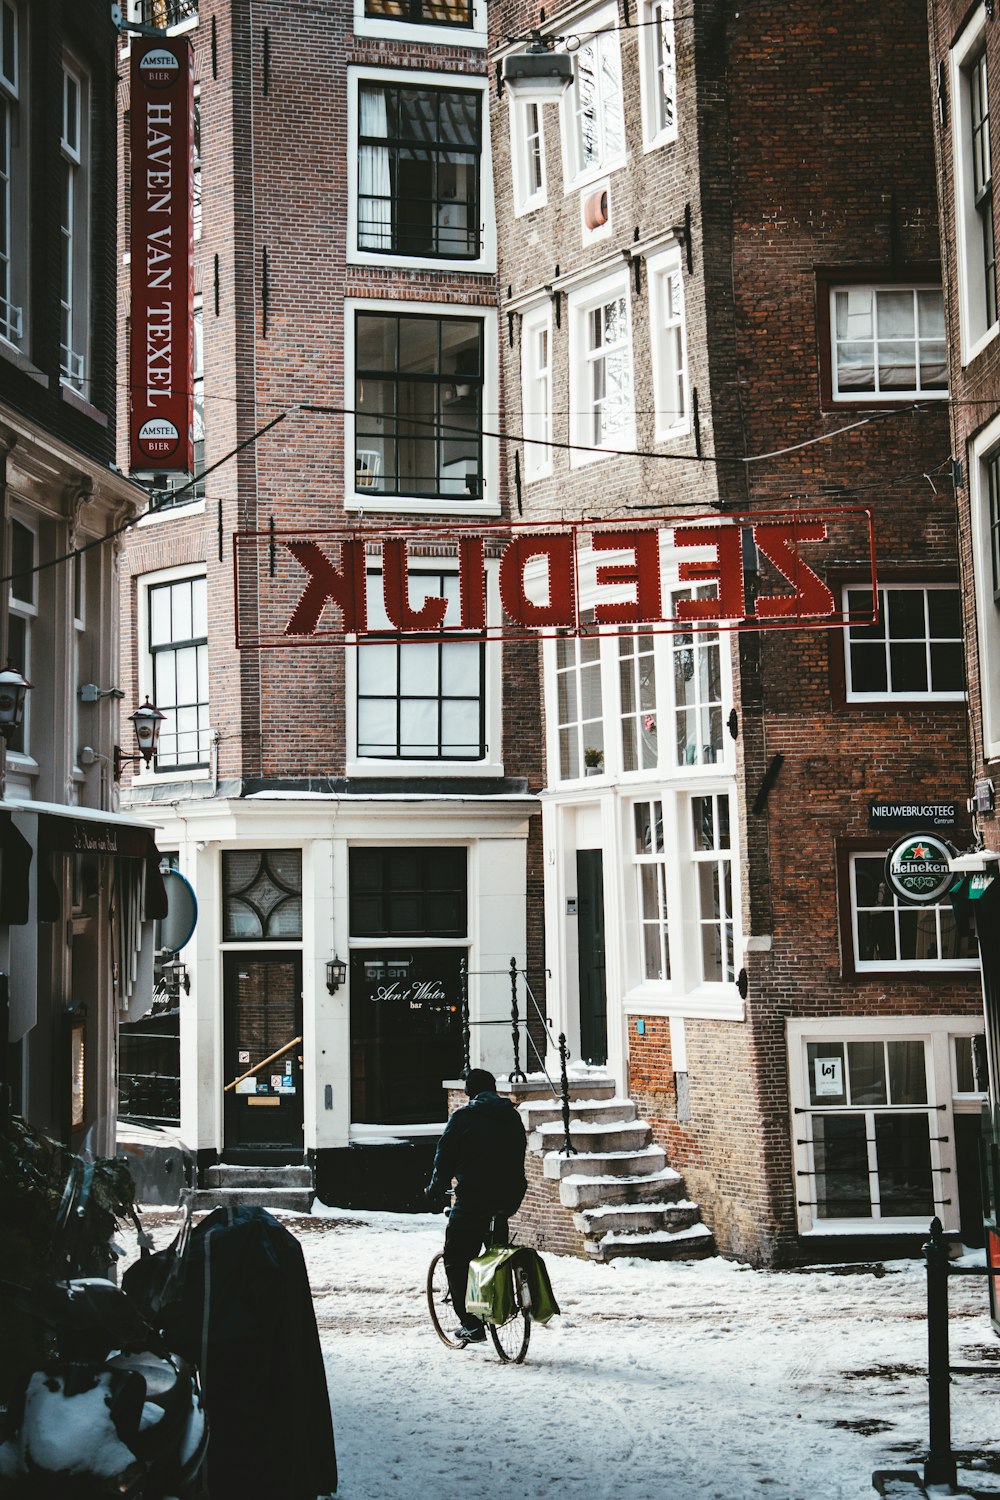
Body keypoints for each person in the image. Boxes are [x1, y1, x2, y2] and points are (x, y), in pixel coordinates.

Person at [425, 1068, 527, 1345]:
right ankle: (501, 1303)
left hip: (473, 1199)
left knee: (456, 1258)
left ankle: (471, 1324)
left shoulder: (463, 1117)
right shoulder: (512, 1116)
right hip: (507, 1199)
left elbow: (443, 1157)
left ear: (470, 1092)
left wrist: (435, 1189)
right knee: (496, 1256)